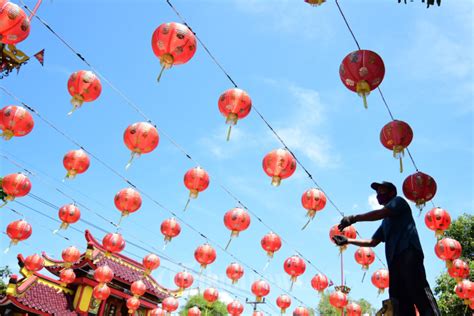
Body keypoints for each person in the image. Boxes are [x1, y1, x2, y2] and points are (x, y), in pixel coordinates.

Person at [332, 181, 440, 316]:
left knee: (417, 290)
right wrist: (348, 240)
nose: (378, 196)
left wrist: (354, 218)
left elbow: (382, 213)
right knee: (398, 302)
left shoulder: (398, 202)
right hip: (394, 262)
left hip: (408, 252)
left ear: (392, 193)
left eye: (381, 192)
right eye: (377, 193)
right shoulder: (385, 222)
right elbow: (373, 241)